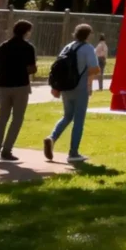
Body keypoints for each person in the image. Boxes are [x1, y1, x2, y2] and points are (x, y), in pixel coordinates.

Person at [44, 23, 100, 164]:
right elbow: (94, 68)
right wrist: (90, 81)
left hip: (66, 88)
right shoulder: (88, 48)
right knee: (79, 120)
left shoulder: (68, 46)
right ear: (88, 35)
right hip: (80, 88)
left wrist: (56, 87)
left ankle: (52, 137)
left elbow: (58, 67)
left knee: (67, 116)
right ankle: (73, 152)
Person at [0, 19, 37, 164]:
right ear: (26, 32)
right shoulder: (28, 47)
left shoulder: (4, 46)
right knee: (17, 119)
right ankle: (7, 150)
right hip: (21, 85)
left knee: (2, 118)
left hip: (4, 85)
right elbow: (32, 68)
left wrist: (6, 69)